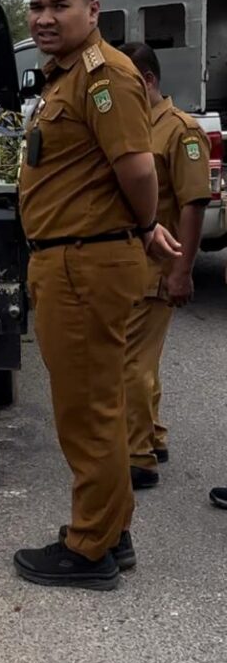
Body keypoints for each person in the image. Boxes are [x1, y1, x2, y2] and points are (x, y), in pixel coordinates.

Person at [14, 0, 180, 590]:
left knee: (87, 410)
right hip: (70, 257)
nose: (45, 17)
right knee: (97, 404)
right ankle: (112, 529)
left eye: (60, 5)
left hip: (83, 260)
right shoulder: (65, 77)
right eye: (37, 6)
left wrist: (143, 227)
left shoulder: (104, 74)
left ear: (92, 11)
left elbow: (137, 168)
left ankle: (90, 550)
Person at [119, 43, 210, 490]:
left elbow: (194, 203)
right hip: (132, 266)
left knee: (129, 363)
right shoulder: (134, 126)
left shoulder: (180, 131)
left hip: (157, 265)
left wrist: (182, 270)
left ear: (149, 81)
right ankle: (152, 436)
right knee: (142, 360)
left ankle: (137, 457)